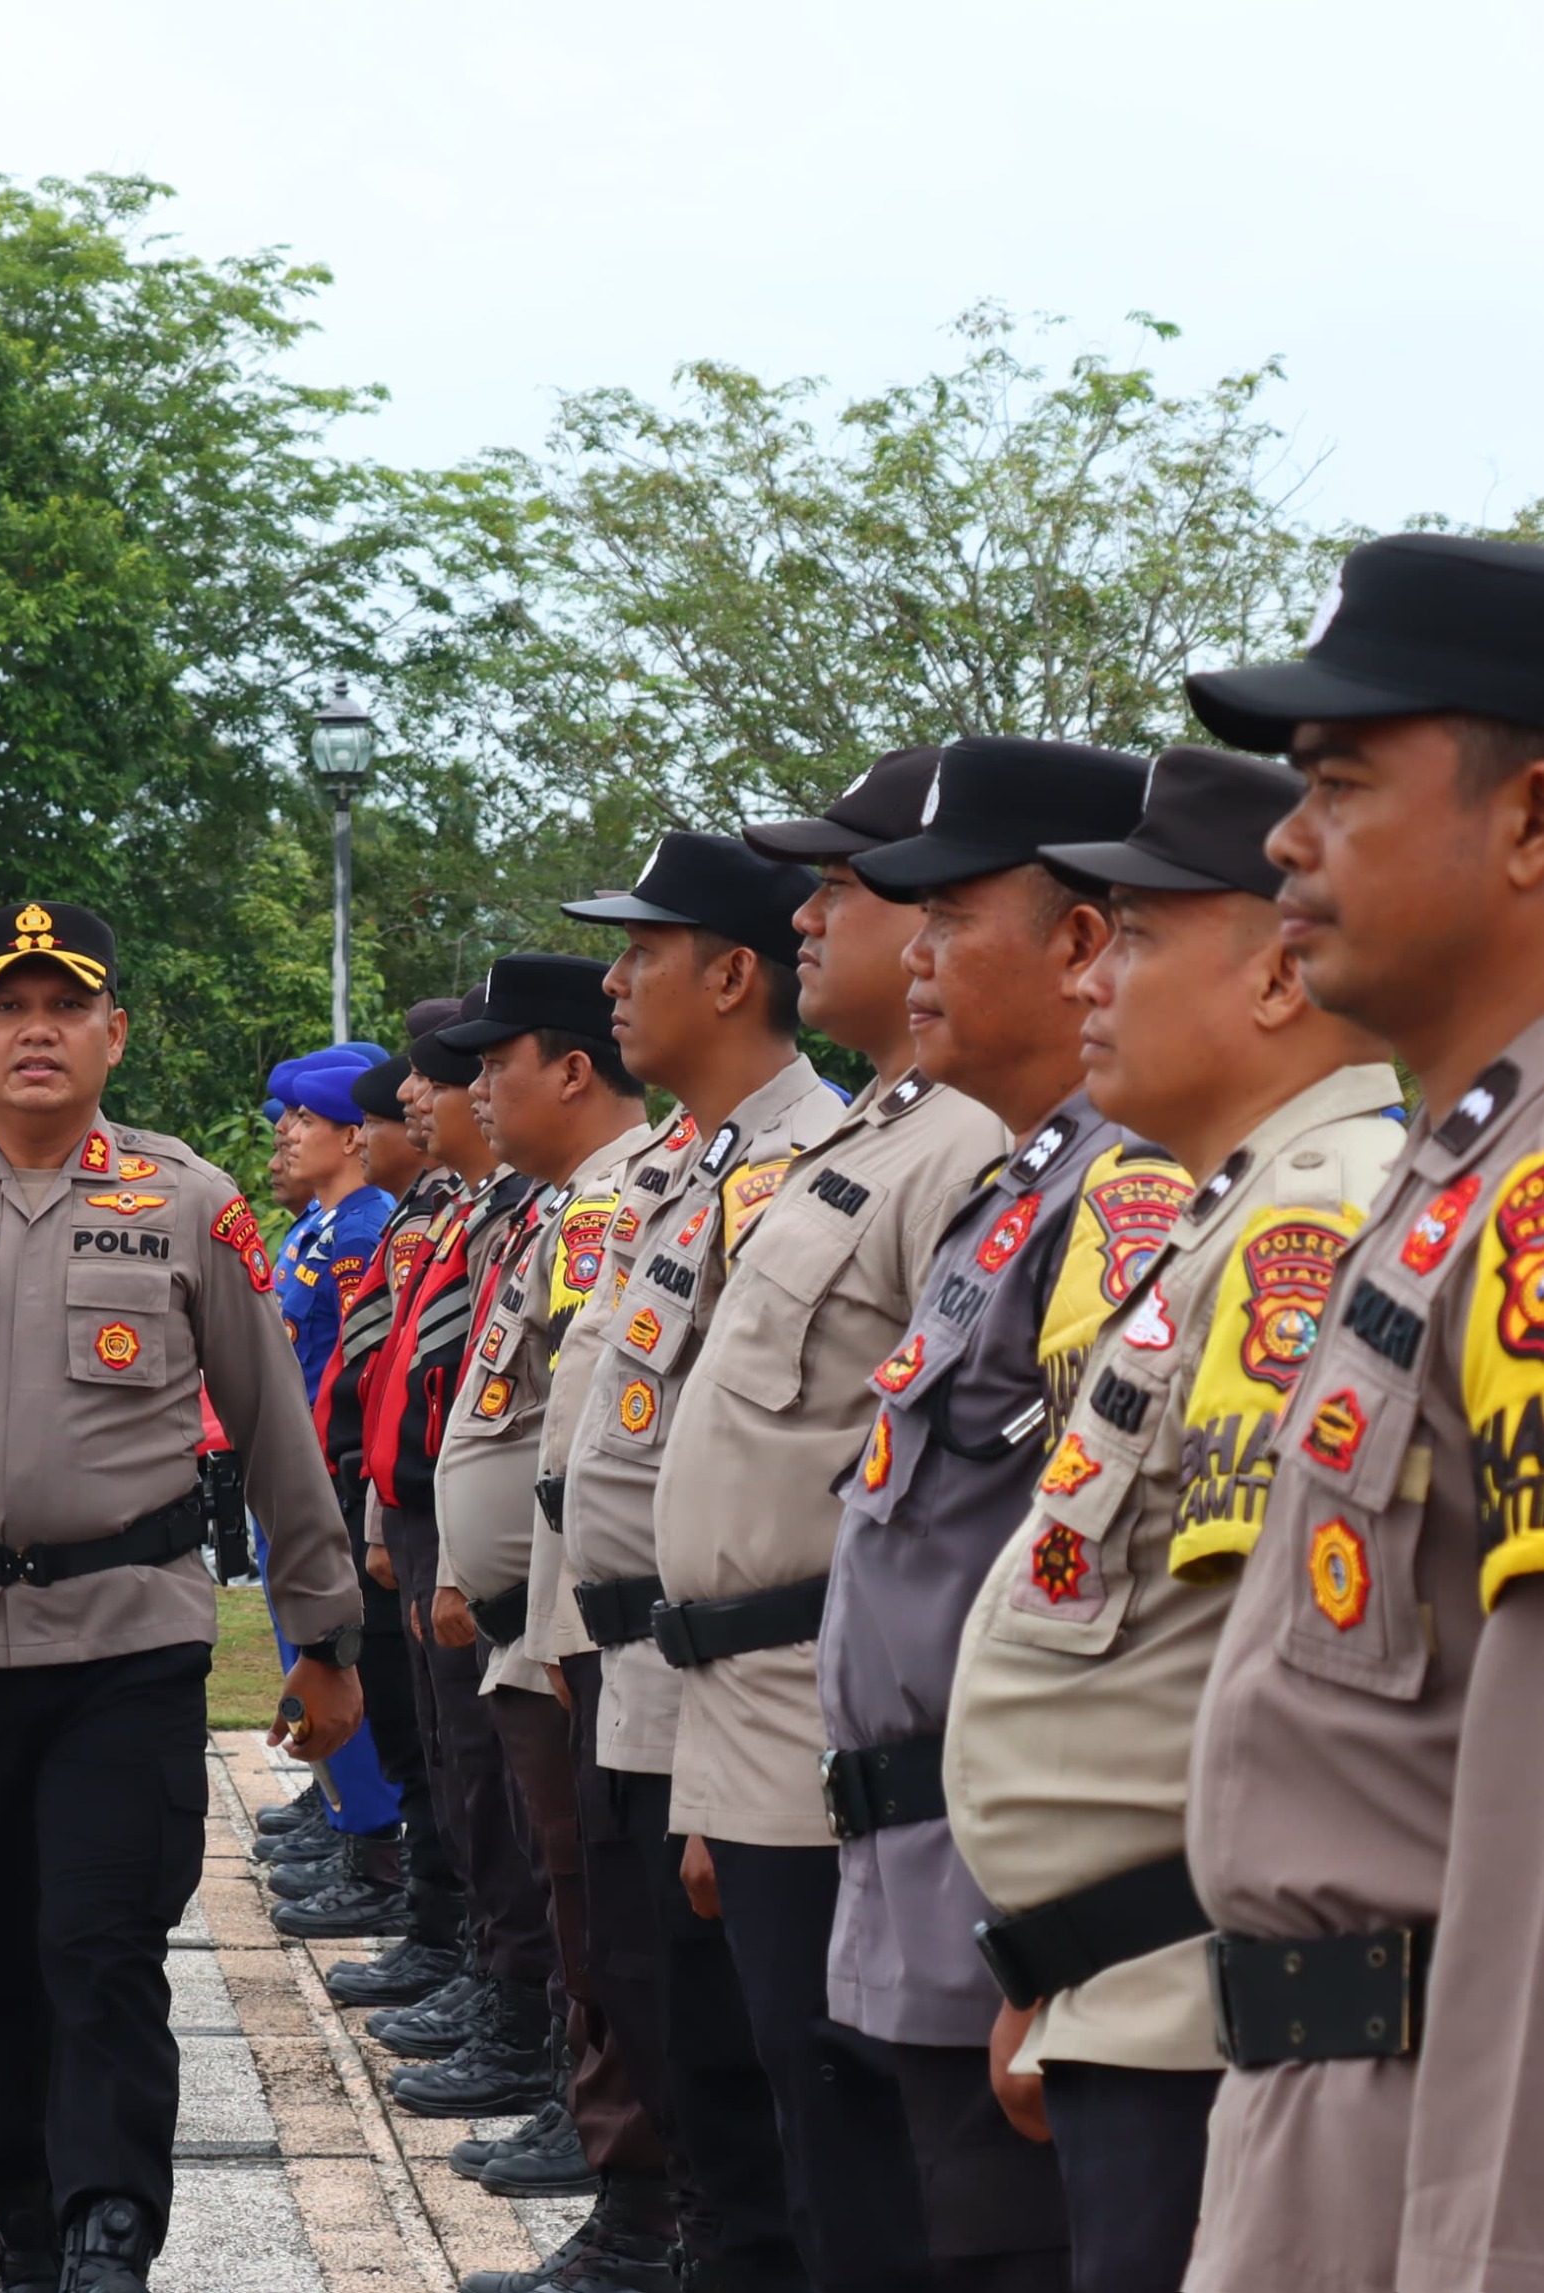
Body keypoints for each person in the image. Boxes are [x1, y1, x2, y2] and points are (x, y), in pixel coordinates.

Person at [0, 899, 364, 2293]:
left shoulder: (188, 1200)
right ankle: (20, 2214)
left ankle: (106, 2232)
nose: (38, 1030)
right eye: (9, 1006)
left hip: (131, 1637)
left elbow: (276, 1428)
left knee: (100, 1945)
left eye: (67, 1006)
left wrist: (322, 1631)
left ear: (113, 1033)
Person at [937, 747, 1402, 2293]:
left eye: (1131, 938)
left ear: (1274, 977)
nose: (1088, 979)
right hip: (1129, 1986)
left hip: (1192, 1998)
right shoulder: (1231, 1201)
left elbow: (1265, 1684)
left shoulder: (1308, 1218)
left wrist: (1098, 1957)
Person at [1168, 533, 1544, 2293]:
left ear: (1529, 820)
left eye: (1335, 787)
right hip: (1320, 2109)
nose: (1283, 843)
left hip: (1441, 2156)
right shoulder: (1447, 1172)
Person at [818, 742, 1190, 2293]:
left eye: (949, 914)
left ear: (1079, 940)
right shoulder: (1015, 1186)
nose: (912, 953)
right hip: (912, 1861)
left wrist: (1049, 1933)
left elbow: (1096, 1589)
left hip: (1005, 1885)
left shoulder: (1125, 1195)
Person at [647, 748, 1006, 2293]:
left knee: (867, 2149)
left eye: (848, 889)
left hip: (831, 1710)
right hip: (758, 1703)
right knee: (794, 2110)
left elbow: (961, 1505)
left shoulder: (966, 1150)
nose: (812, 917)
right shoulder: (870, 1135)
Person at [560, 831, 841, 2293]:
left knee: (746, 2085)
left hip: (735, 1676)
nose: (612, 983)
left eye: (642, 953)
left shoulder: (814, 1165)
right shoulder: (696, 1161)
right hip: (631, 1667)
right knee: (665, 2032)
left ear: (733, 975)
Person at [424, 958, 668, 2224]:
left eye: (490, 1062)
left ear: (570, 1069)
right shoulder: (563, 1201)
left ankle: (617, 2156)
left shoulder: (615, 1202)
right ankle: (586, 2107)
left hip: (573, 1619)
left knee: (592, 1895)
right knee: (559, 1879)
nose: (469, 1087)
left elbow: (580, 1435)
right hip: (535, 1616)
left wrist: (524, 1600)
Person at [353, 990, 555, 2106]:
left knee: (505, 1792)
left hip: (506, 1557)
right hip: (433, 1524)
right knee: (462, 1771)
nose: (433, 1094)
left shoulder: (537, 1211)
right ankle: (487, 1973)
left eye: (460, 1071)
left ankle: (521, 2013)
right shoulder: (471, 1210)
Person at [308, 1039, 475, 1992]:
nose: (407, 1103)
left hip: (446, 1522)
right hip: (393, 1502)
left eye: (431, 1083)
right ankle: (445, 1933)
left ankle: (466, 1954)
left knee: (467, 1765)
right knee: (439, 1752)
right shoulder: (429, 1216)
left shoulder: (435, 1217)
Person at [250, 1045, 404, 1898]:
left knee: (336, 1654)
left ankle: (372, 1845)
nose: (287, 1133)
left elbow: (352, 1367)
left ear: (353, 1136)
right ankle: (339, 1807)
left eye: (305, 1120)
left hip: (329, 1474)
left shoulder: (360, 1230)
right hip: (294, 1465)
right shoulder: (318, 1226)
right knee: (300, 1648)